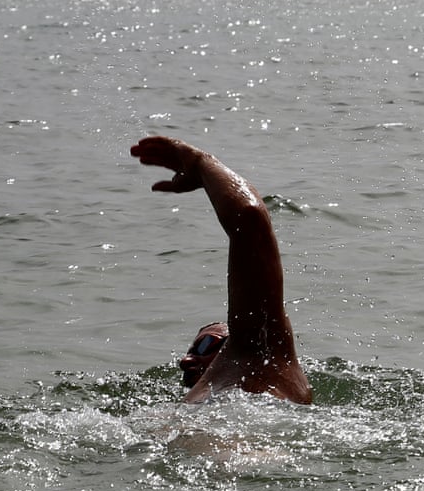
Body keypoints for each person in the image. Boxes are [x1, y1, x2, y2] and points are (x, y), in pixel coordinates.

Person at [130, 135, 312, 405]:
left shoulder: (257, 359)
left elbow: (250, 220)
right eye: (194, 346)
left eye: (207, 345)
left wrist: (202, 164)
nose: (186, 359)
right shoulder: (199, 397)